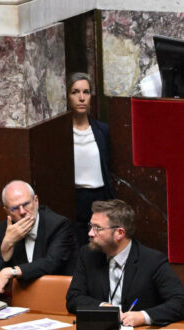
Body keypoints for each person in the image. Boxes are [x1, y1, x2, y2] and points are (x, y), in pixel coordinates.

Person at [66, 199, 184, 327]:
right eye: (90, 227)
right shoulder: (88, 255)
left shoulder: (152, 260)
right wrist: (103, 307)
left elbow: (181, 303)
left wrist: (143, 316)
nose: (90, 233)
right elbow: (73, 298)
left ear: (120, 233)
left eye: (97, 228)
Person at [0, 180, 75, 295]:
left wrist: (12, 271)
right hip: (23, 297)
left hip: (57, 295)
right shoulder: (5, 228)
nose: (23, 212)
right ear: (7, 211)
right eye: (15, 208)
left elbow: (51, 264)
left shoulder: (58, 225)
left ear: (36, 201)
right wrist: (7, 245)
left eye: (26, 204)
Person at [68, 72, 113, 248]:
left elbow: (108, 164)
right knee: (77, 248)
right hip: (74, 198)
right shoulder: (62, 132)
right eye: (75, 92)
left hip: (99, 196)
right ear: (68, 96)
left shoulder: (102, 130)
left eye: (86, 92)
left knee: (101, 246)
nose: (81, 98)